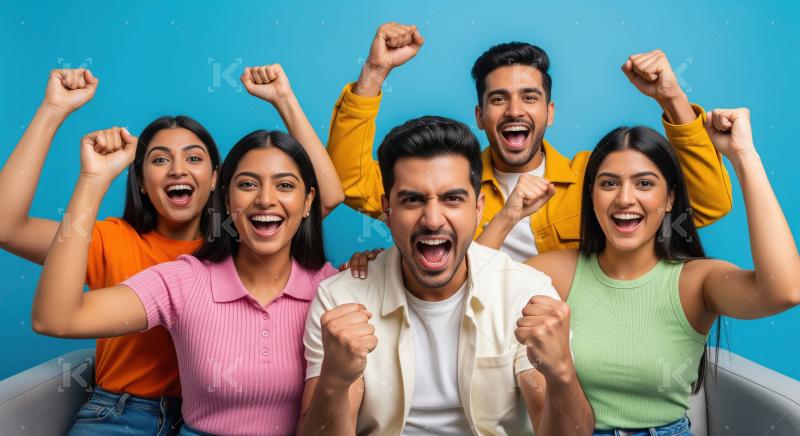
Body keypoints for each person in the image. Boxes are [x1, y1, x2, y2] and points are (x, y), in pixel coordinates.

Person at [2, 64, 343, 434]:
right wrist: (57, 118)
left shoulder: (245, 246)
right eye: (160, 159)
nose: (178, 170)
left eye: (194, 158)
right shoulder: (124, 245)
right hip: (125, 413)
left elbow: (320, 195)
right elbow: (8, 229)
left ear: (216, 180)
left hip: (203, 415)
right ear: (142, 181)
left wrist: (283, 100)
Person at [329, 22, 732, 268]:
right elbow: (348, 183)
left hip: (564, 362)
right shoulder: (447, 185)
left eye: (530, 97)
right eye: (498, 99)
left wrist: (672, 98)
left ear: (549, 112)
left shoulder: (594, 178)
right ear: (480, 115)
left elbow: (708, 204)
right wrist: (375, 72)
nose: (514, 111)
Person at [298, 116, 594, 435]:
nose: (433, 219)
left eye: (452, 198)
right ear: (387, 209)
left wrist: (562, 372)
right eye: (412, 199)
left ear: (478, 208)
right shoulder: (340, 299)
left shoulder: (525, 293)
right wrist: (334, 382)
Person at [515, 108, 797, 433]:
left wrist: (743, 155)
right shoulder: (552, 271)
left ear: (669, 199)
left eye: (644, 183)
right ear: (591, 196)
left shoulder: (695, 281)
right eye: (608, 184)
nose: (624, 198)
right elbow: (470, 293)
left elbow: (785, 290)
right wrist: (508, 218)